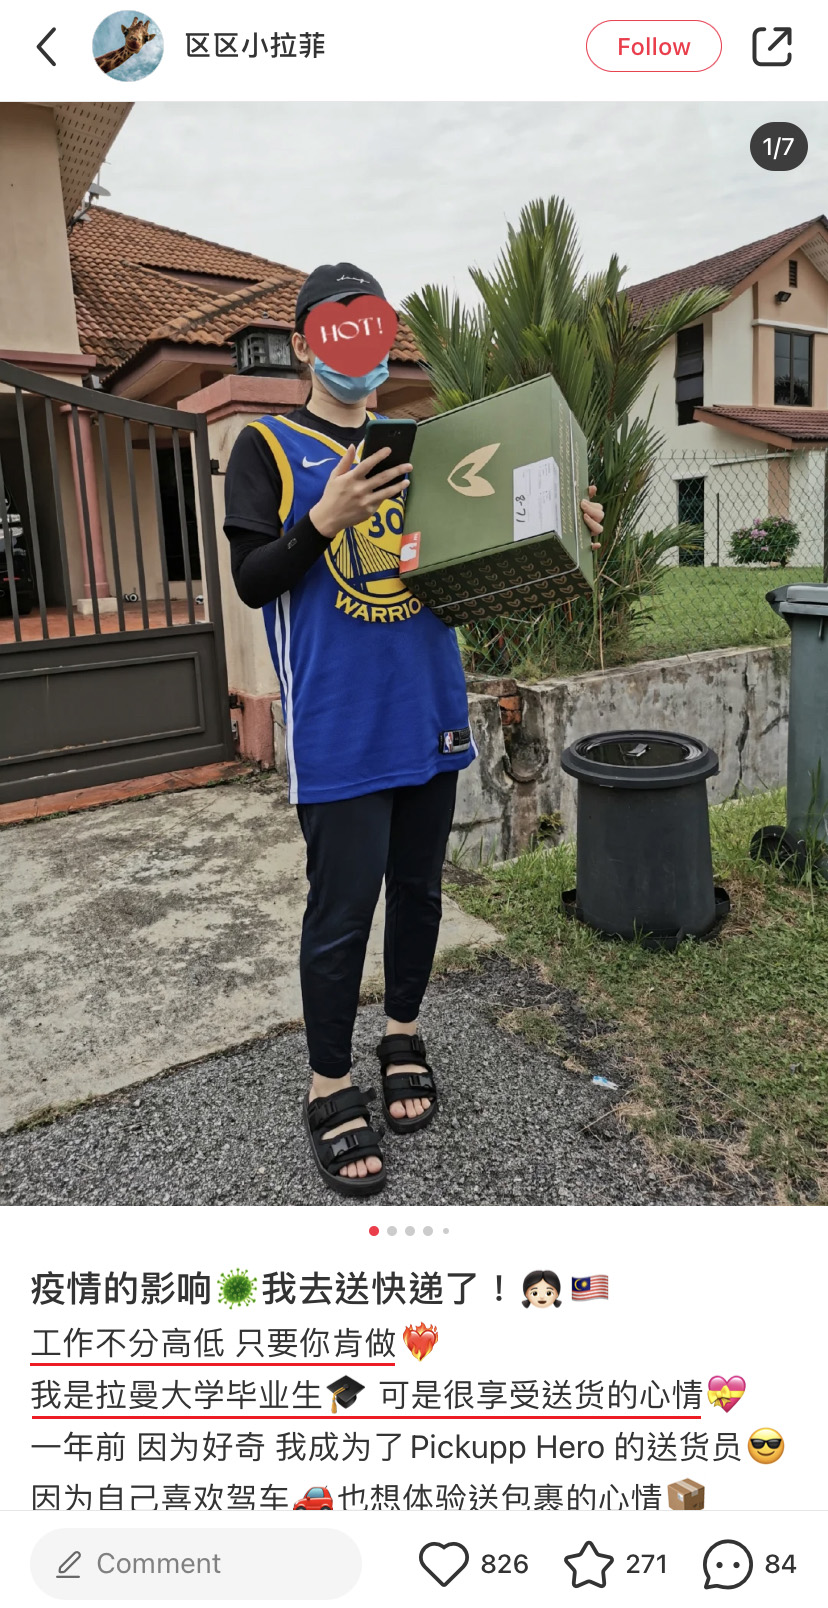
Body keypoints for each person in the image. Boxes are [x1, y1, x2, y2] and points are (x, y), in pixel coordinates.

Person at [223, 260, 604, 1198]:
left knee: (421, 892)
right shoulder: (267, 446)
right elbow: (254, 580)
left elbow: (491, 544)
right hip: (340, 727)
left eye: (372, 328)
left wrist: (567, 521)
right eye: (340, 327)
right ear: (308, 341)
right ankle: (328, 1082)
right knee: (341, 911)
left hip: (430, 711)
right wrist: (323, 519)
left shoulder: (427, 446)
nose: (361, 349)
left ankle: (402, 1033)